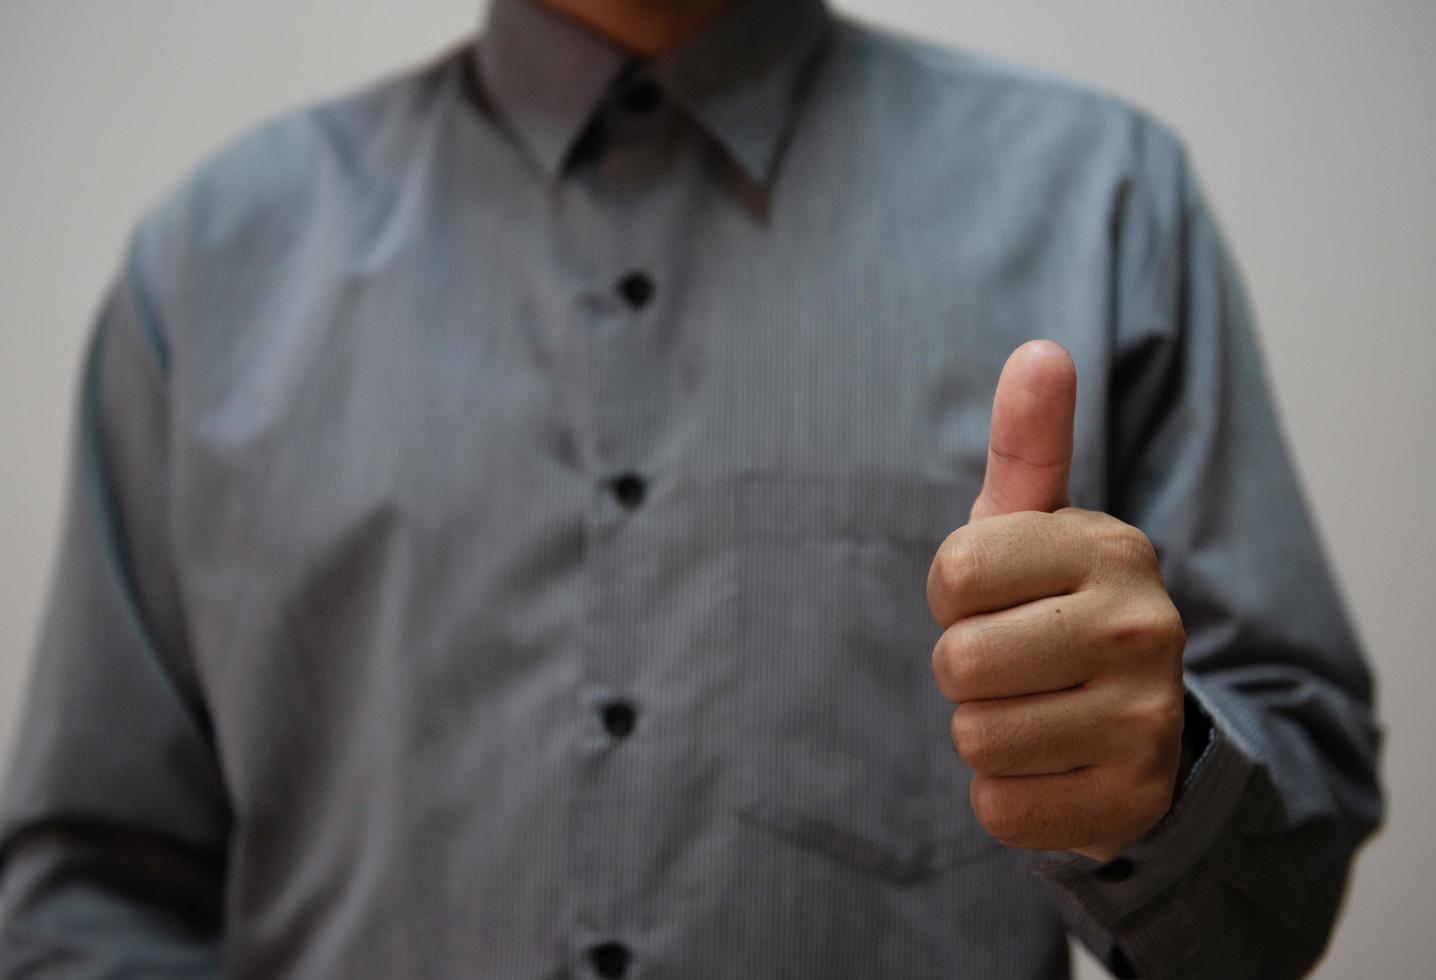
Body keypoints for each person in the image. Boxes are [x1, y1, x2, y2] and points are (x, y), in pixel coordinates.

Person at [0, 0, 1383, 977]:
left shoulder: (1105, 199)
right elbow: (97, 894)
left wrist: (1158, 788)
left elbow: (1275, 908)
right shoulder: (208, 268)